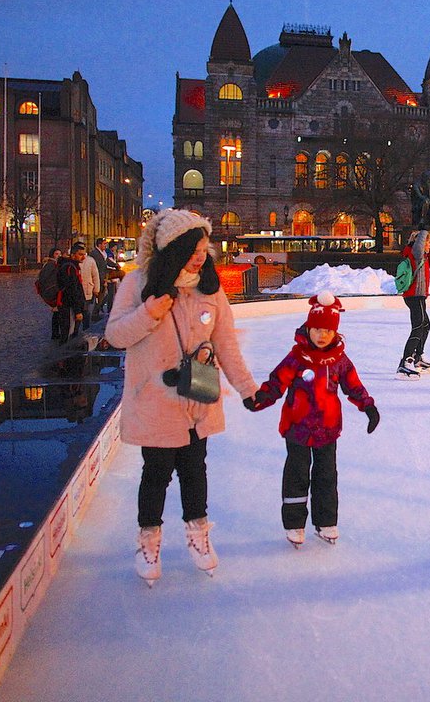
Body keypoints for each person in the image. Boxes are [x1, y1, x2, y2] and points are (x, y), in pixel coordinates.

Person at [105, 208, 259, 587]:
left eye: (205, 248)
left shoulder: (211, 288)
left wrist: (248, 388)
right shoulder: (138, 283)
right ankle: (149, 542)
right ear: (174, 247)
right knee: (155, 474)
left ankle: (198, 534)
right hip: (154, 402)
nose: (201, 255)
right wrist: (149, 312)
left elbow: (226, 346)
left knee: (195, 471)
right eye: (195, 247)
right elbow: (115, 335)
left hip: (197, 397)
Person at [244, 292, 379, 547]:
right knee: (297, 475)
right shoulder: (297, 357)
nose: (321, 335)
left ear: (335, 333)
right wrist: (260, 398)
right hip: (297, 429)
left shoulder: (339, 360)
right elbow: (277, 381)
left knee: (326, 475)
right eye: (316, 329)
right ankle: (295, 524)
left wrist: (368, 407)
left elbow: (353, 386)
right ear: (308, 328)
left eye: (327, 330)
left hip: (327, 430)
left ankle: (326, 521)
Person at [397, 229, 430, 379]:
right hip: (414, 296)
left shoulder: (421, 255)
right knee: (418, 327)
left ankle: (418, 358)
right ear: (421, 243)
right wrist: (424, 230)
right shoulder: (415, 253)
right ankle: (405, 363)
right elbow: (419, 245)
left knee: (425, 325)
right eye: (428, 242)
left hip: (419, 296)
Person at [56, 244, 88, 341]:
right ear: (73, 255)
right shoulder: (70, 268)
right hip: (68, 306)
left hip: (68, 305)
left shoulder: (72, 266)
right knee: (68, 334)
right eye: (80, 254)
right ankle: (65, 354)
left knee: (69, 332)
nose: (83, 257)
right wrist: (77, 310)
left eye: (84, 254)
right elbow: (72, 290)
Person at [35, 248, 67, 340]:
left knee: (57, 314)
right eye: (57, 254)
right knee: (57, 314)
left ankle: (56, 333)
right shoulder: (51, 265)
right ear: (52, 255)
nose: (59, 256)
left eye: (60, 254)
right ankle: (56, 333)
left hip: (55, 291)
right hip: (53, 292)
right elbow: (44, 279)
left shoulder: (56, 264)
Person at [77, 242, 100, 331]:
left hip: (88, 291)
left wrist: (96, 289)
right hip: (78, 291)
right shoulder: (74, 260)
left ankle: (86, 330)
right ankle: (75, 332)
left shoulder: (90, 260)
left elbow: (95, 275)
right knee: (78, 312)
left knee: (86, 313)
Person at [90, 237, 109, 320]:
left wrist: (115, 265)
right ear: (99, 244)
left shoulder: (103, 253)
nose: (105, 246)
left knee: (100, 297)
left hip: (102, 278)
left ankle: (96, 313)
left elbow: (106, 262)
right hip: (98, 279)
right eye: (104, 244)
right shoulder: (95, 254)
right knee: (97, 298)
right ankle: (94, 315)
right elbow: (97, 268)